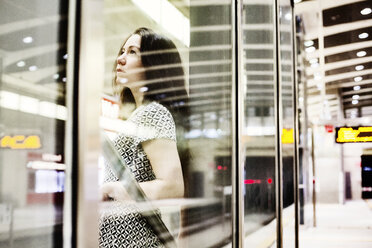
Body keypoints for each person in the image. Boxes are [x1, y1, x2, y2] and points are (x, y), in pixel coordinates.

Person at [99, 27, 189, 248]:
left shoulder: (152, 113)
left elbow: (172, 187)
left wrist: (112, 189)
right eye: (122, 51)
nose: (120, 59)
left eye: (132, 52)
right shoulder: (140, 115)